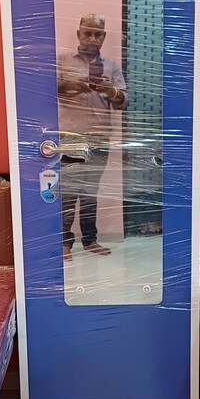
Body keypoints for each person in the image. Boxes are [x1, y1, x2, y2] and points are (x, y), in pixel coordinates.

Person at [56, 14, 128, 262]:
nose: (92, 38)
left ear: (104, 37)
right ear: (79, 34)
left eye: (98, 34)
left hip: (100, 139)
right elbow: (49, 90)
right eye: (87, 33)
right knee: (68, 191)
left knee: (90, 191)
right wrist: (72, 83)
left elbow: (123, 101)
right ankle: (64, 243)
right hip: (71, 138)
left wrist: (111, 90)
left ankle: (90, 240)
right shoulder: (63, 61)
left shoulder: (111, 67)